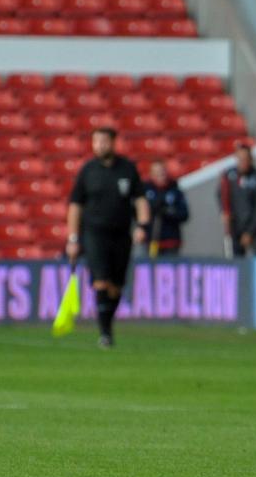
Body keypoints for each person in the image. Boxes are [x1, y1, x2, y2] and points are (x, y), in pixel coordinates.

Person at [64, 127, 150, 349]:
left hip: (121, 234)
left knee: (116, 286)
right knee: (100, 281)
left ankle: (107, 325)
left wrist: (142, 225)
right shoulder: (87, 171)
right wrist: (73, 238)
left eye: (103, 141)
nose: (100, 145)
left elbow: (140, 200)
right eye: (96, 142)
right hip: (94, 233)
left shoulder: (128, 169)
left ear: (113, 142)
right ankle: (105, 333)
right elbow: (75, 206)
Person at [219, 143, 256, 257]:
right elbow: (221, 195)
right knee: (235, 263)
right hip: (235, 227)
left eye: (245, 159)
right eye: (240, 159)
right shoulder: (229, 176)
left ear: (251, 159)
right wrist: (224, 212)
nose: (243, 162)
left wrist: (250, 232)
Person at [142, 160, 189, 256]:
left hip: (171, 242)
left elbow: (184, 214)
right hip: (152, 241)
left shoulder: (175, 190)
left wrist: (168, 211)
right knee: (151, 269)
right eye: (156, 172)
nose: (160, 175)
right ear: (151, 174)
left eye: (162, 172)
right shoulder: (146, 191)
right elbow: (139, 212)